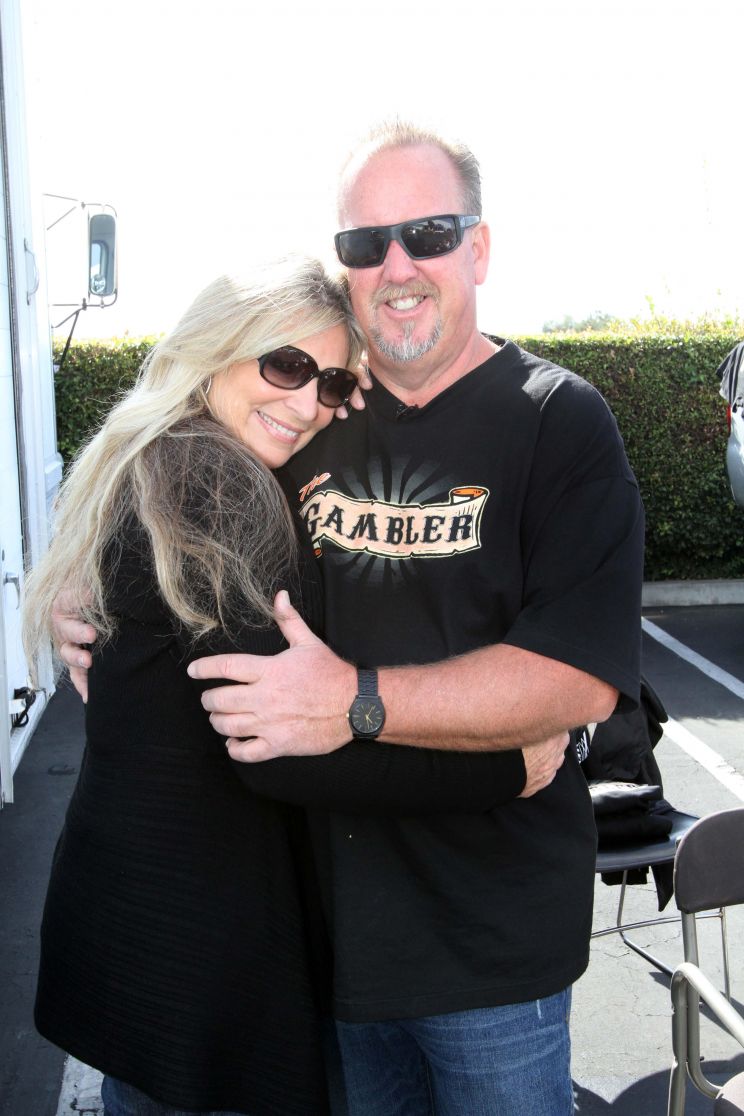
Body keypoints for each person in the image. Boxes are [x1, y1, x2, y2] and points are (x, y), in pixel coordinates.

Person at [34, 254, 569, 1116]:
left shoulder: (161, 457)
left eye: (330, 382)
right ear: (218, 346)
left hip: (142, 942)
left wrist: (337, 394)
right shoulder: (213, 484)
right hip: (202, 962)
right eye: (284, 364)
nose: (306, 401)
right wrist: (506, 765)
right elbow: (277, 745)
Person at [184, 122, 646, 1116]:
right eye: (366, 243)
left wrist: (353, 701)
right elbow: (171, 460)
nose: (397, 267)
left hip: (493, 955)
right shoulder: (312, 414)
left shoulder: (557, 420)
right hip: (323, 943)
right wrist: (88, 590)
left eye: (428, 233)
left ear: (478, 248)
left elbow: (576, 679)